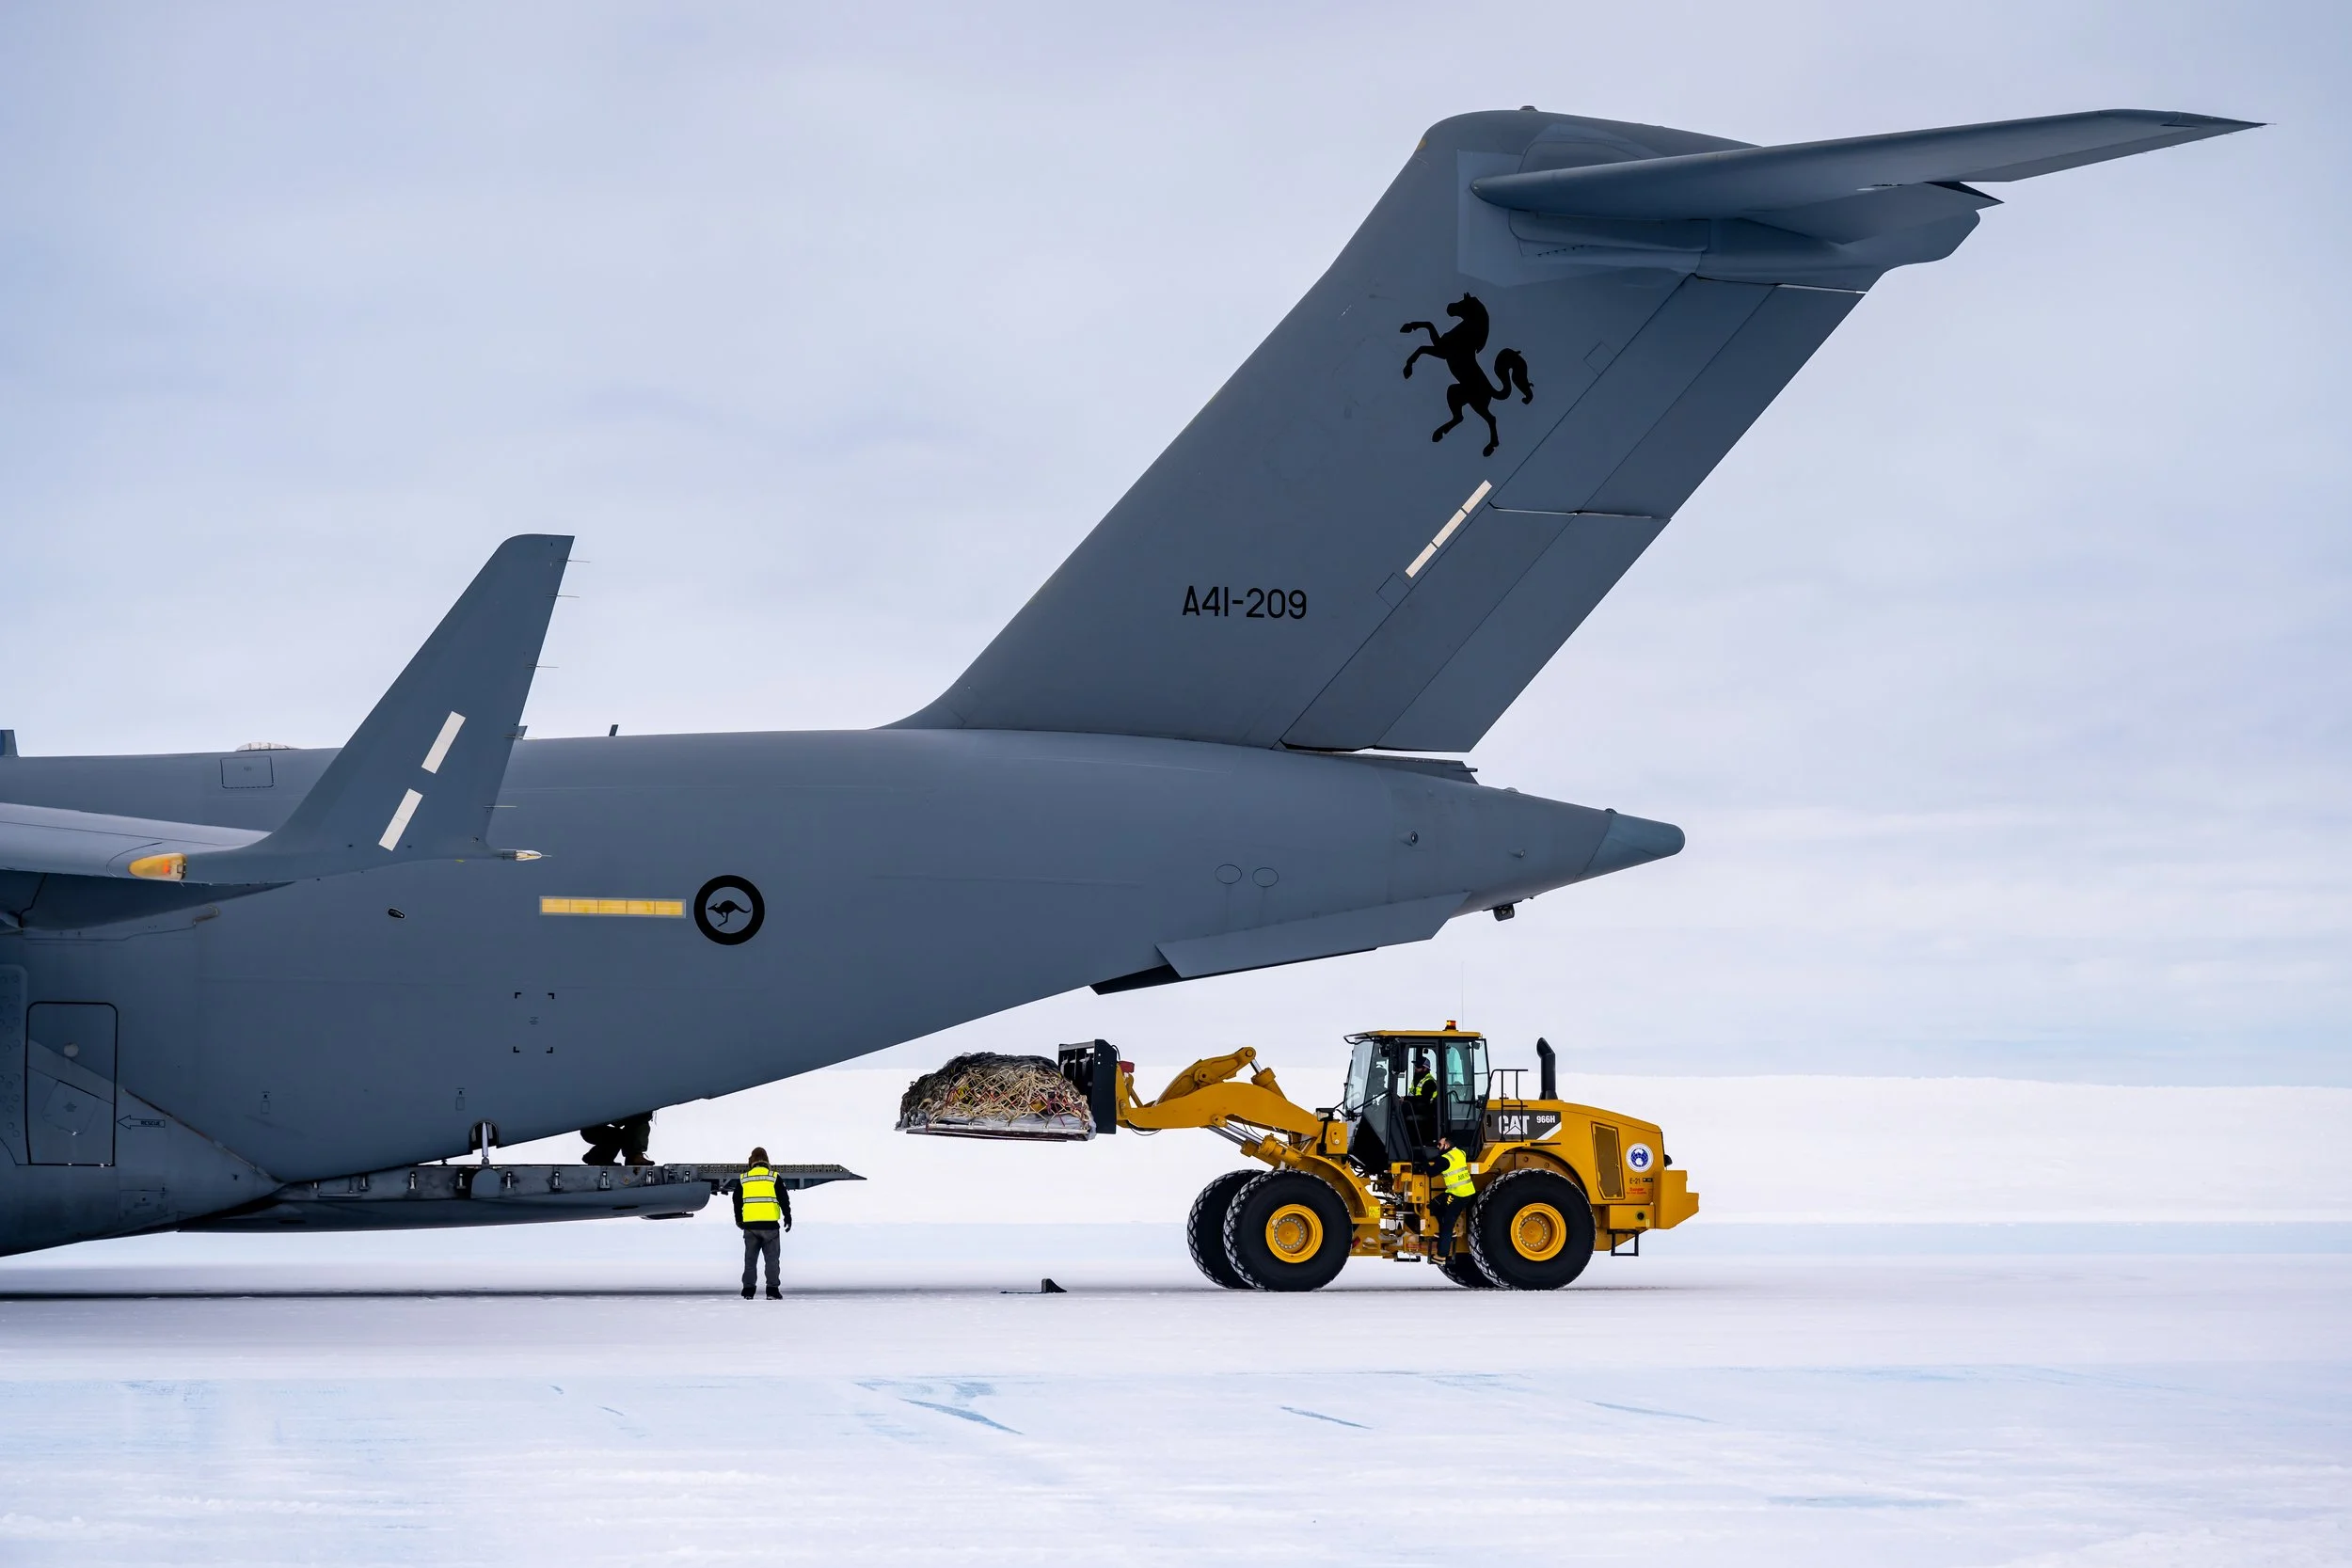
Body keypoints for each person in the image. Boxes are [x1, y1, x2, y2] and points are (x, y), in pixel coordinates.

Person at [724, 1148, 790, 1299]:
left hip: (750, 1227)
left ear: (751, 1161)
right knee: (772, 1261)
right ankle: (772, 1291)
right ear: (767, 1160)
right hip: (770, 1226)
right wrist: (788, 1217)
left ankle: (748, 1291)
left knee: (750, 1260)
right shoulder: (774, 1177)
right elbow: (784, 1199)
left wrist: (739, 1219)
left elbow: (736, 1201)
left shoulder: (744, 1178)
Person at [1428, 1134, 1476, 1260]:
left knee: (1447, 1224)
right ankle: (1449, 1231)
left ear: (1447, 1146)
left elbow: (1430, 1172)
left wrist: (1423, 1160)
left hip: (1458, 1195)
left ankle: (1442, 1255)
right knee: (1434, 1205)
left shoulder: (1445, 1159)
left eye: (1439, 1145)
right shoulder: (1460, 1153)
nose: (1437, 1147)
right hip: (1463, 1192)